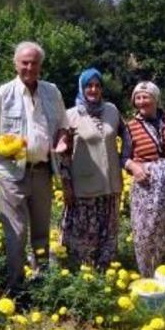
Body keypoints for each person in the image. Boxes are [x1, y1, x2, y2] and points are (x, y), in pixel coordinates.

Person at [0, 41, 68, 292]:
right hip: (13, 173)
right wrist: (2, 147)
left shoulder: (52, 92)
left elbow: (62, 125)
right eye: (24, 62)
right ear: (16, 64)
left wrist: (62, 141)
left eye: (35, 63)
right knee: (16, 234)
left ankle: (41, 281)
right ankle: (15, 287)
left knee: (41, 231)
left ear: (41, 65)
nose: (30, 67)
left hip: (42, 170)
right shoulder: (2, 93)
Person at [121, 81, 165, 277]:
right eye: (138, 98)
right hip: (147, 188)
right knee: (149, 230)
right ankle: (151, 273)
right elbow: (124, 157)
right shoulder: (130, 127)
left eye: (146, 97)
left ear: (156, 98)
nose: (142, 101)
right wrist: (134, 167)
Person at [59, 68, 123, 269]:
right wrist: (66, 184)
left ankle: (105, 273)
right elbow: (63, 154)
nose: (93, 89)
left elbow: (129, 137)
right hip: (84, 187)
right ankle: (83, 276)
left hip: (111, 186)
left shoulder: (112, 111)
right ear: (82, 88)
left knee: (108, 233)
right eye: (89, 85)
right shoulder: (70, 116)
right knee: (84, 236)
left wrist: (132, 161)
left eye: (97, 85)